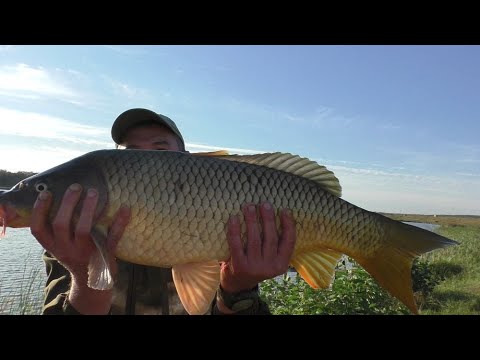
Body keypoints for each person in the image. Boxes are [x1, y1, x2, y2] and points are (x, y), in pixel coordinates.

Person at [31, 108, 297, 315]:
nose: (146, 162)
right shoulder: (70, 235)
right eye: (131, 152)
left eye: (160, 150)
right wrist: (85, 274)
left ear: (187, 160)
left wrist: (239, 289)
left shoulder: (225, 213)